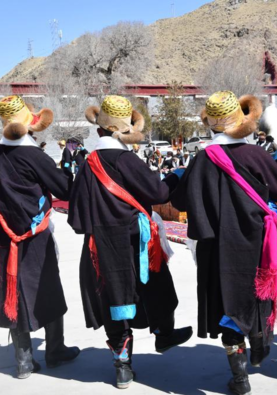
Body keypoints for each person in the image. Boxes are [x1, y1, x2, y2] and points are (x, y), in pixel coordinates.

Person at [171, 91, 277, 395]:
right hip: (256, 246)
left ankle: (239, 378)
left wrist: (178, 176)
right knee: (257, 298)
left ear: (211, 125)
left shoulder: (201, 159)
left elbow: (178, 200)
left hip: (216, 250)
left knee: (227, 306)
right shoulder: (255, 155)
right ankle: (259, 344)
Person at [68, 95, 192, 390]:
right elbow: (159, 193)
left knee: (114, 299)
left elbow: (77, 220)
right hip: (138, 243)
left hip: (102, 246)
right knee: (157, 286)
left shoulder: (87, 165)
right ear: (126, 131)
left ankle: (122, 367)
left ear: (99, 130)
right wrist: (175, 177)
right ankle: (163, 333)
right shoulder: (128, 160)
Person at [0, 96, 79, 379]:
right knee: (48, 288)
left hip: (1, 240)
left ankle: (23, 361)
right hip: (35, 237)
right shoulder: (35, 156)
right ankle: (55, 349)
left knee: (12, 292)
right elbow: (65, 189)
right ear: (29, 124)